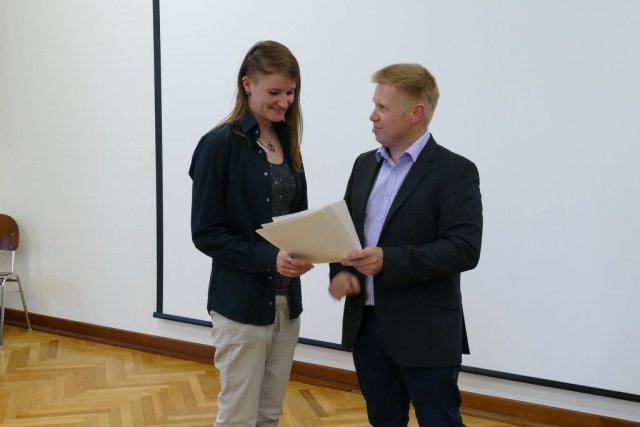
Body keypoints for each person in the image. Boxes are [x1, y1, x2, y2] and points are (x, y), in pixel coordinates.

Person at [329, 63, 483, 426]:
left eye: (382, 107)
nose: (373, 115)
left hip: (425, 331)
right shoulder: (363, 165)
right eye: (374, 105)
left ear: (416, 113)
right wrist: (340, 273)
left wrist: (389, 260)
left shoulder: (455, 172)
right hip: (366, 327)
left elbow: (464, 248)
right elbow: (345, 233)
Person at [189, 40, 314, 427]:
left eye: (290, 92)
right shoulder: (218, 146)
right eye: (274, 92)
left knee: (269, 413)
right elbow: (205, 233)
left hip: (286, 303)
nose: (284, 102)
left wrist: (310, 247)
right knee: (238, 416)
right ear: (247, 84)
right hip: (240, 305)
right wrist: (269, 258)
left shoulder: (287, 140)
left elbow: (295, 219)